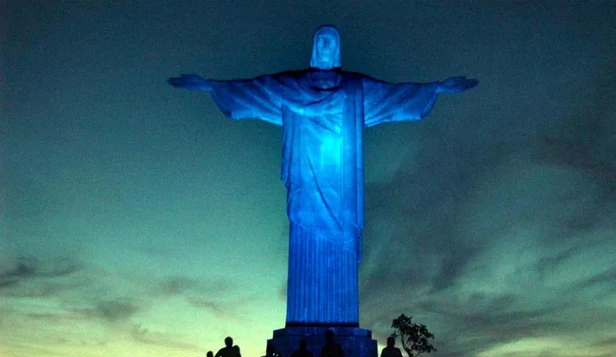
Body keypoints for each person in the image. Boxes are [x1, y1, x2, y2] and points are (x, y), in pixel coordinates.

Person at [168, 26, 478, 328]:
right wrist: (211, 85)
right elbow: (256, 89)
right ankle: (303, 319)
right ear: (316, 48)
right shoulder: (292, 85)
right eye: (323, 42)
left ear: (338, 49)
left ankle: (338, 318)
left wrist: (435, 88)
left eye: (333, 42)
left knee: (339, 242)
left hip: (339, 184)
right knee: (304, 234)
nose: (327, 47)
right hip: (306, 179)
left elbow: (392, 95)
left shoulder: (355, 88)